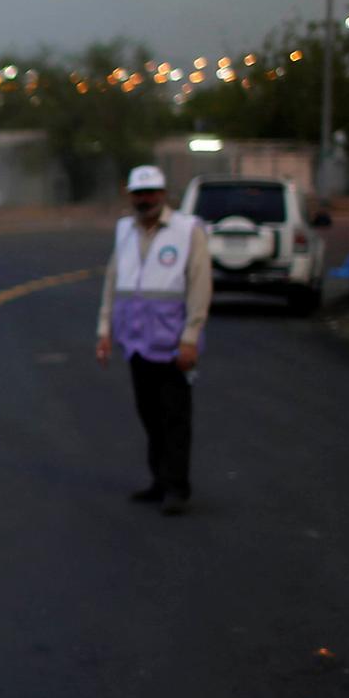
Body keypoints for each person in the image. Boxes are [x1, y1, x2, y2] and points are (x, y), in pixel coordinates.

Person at [95, 163, 211, 515]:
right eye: (139, 194)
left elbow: (200, 286)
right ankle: (159, 481)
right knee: (149, 415)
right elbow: (113, 283)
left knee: (174, 417)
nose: (145, 200)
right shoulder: (124, 232)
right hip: (136, 343)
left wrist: (191, 337)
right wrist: (105, 332)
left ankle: (177, 487)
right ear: (130, 196)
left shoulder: (187, 230)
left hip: (173, 344)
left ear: (163, 194)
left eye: (151, 193)